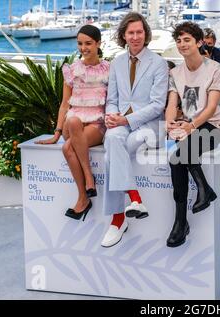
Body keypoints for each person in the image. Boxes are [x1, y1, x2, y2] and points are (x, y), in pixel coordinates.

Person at [101, 12, 169, 247]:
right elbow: (112, 98)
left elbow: (158, 104)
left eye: (139, 32)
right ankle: (135, 199)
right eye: (131, 32)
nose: (136, 36)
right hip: (120, 121)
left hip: (149, 125)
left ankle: (118, 218)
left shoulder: (158, 63)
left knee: (114, 150)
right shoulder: (116, 63)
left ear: (146, 34)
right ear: (123, 35)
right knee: (113, 140)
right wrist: (111, 115)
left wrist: (126, 121)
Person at [35, 25, 108, 222]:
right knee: (73, 120)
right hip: (73, 125)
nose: (83, 48)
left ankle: (83, 198)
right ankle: (89, 179)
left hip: (97, 124)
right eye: (80, 43)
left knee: (68, 148)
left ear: (98, 43)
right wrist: (57, 133)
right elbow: (64, 104)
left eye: (88, 43)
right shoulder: (72, 70)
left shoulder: (108, 69)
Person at [165, 21, 220, 248]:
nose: (182, 44)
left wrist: (190, 127)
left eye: (187, 40)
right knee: (177, 158)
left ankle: (181, 222)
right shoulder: (175, 72)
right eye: (178, 40)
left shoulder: (214, 69)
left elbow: (211, 108)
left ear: (199, 42)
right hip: (188, 126)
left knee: (176, 157)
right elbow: (172, 103)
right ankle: (203, 192)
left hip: (212, 126)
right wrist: (170, 123)